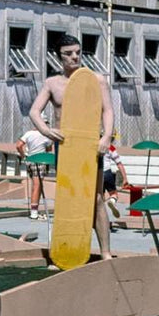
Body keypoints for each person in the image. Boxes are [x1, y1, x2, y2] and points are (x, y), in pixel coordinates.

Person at [29, 34, 115, 260]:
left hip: (90, 147)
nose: (74, 56)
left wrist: (106, 137)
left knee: (95, 198)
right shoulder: (52, 83)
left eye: (78, 52)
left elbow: (108, 110)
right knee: (67, 198)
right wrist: (47, 132)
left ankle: (106, 252)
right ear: (59, 57)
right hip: (65, 147)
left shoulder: (96, 80)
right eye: (68, 53)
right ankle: (65, 252)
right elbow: (34, 112)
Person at [16, 129, 52, 219]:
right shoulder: (46, 135)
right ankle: (34, 213)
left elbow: (19, 145)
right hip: (40, 161)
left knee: (36, 186)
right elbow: (49, 149)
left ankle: (35, 211)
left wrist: (23, 156)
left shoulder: (28, 133)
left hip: (30, 160)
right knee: (37, 186)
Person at [102, 139, 130, 222]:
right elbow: (119, 164)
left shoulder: (94, 144)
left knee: (100, 198)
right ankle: (112, 201)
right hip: (107, 173)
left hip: (97, 173)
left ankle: (101, 219)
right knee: (114, 194)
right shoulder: (111, 147)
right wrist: (125, 179)